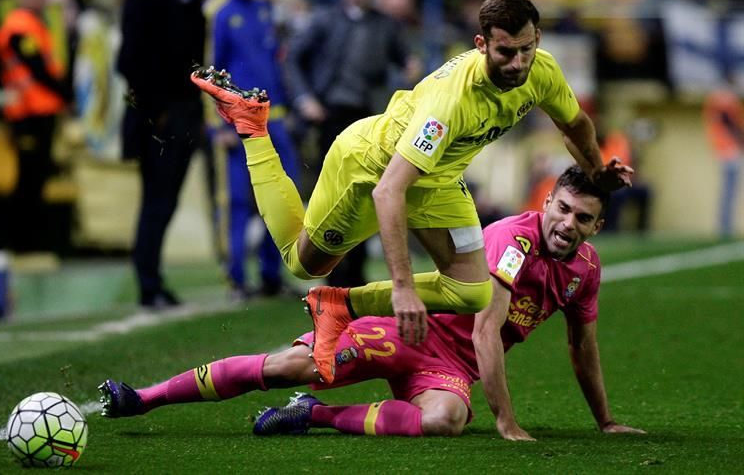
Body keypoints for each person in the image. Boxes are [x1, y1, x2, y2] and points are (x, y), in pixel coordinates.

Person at [192, 0, 634, 384]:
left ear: (537, 39)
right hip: (371, 169)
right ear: (481, 45)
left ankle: (341, 305)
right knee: (305, 264)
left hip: (438, 181)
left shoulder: (542, 70)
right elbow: (389, 191)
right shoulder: (451, 103)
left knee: (472, 291)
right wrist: (401, 287)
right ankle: (254, 129)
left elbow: (574, 124)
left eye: (527, 49)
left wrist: (596, 172)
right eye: (505, 52)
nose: (518, 63)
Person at [98, 166, 645, 440]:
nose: (566, 224)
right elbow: (485, 331)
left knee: (448, 418)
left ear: (597, 226)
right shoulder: (512, 240)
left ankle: (318, 415)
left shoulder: (586, 272)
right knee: (296, 364)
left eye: (582, 218)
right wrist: (506, 422)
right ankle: (141, 399)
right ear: (546, 201)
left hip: (448, 370)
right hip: (409, 330)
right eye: (563, 209)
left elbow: (583, 348)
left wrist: (606, 421)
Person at [282, 0, 422, 288]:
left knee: (367, 193)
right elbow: (292, 59)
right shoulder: (324, 20)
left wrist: (411, 67)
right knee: (330, 194)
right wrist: (305, 99)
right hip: (330, 116)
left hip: (370, 120)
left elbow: (406, 61)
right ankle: (326, 267)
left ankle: (352, 274)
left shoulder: (386, 26)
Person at [204, 0, 300, 301]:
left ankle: (271, 275)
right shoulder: (217, 11)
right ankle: (235, 278)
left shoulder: (264, 10)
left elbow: (275, 66)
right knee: (238, 201)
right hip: (236, 123)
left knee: (281, 197)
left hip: (274, 120)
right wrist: (217, 126)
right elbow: (207, 73)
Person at [117, 0, 206, 309]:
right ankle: (147, 283)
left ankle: (153, 279)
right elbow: (128, 63)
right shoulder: (142, 0)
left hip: (185, 114)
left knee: (166, 202)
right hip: (158, 118)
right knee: (155, 201)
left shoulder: (191, 2)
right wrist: (156, 111)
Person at [0, 0, 70, 252]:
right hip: (27, 113)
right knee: (26, 180)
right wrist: (65, 94)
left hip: (42, 111)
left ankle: (28, 242)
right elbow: (38, 69)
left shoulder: (35, 23)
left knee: (36, 179)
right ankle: (17, 242)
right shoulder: (18, 26)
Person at [702, 81, 743, 238]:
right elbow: (729, 123)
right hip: (729, 150)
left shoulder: (715, 99)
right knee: (729, 190)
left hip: (724, 149)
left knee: (729, 190)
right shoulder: (723, 99)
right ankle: (725, 227)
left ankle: (725, 225)